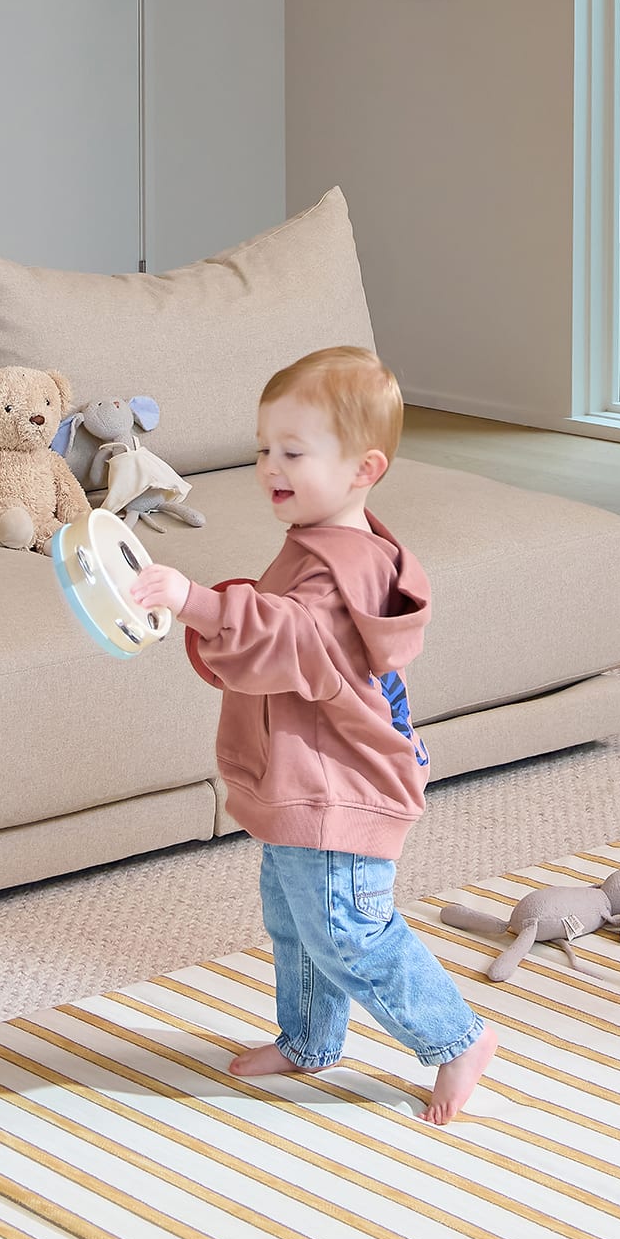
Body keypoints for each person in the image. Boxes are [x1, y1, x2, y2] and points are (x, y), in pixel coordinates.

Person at [130, 345, 497, 1123]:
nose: (271, 466)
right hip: (305, 781)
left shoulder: (339, 571)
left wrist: (194, 600)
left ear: (364, 469)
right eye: (265, 448)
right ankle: (309, 1039)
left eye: (294, 451)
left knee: (348, 933)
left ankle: (456, 1038)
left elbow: (286, 636)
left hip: (339, 789)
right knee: (295, 922)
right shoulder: (320, 541)